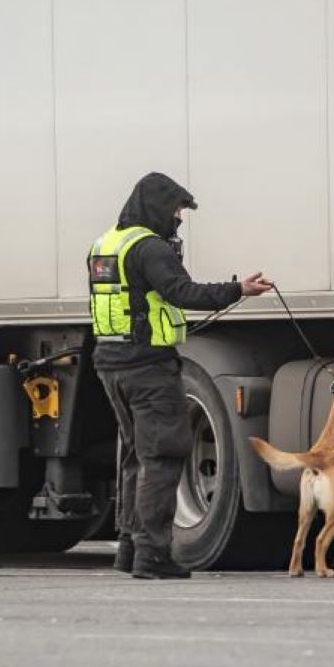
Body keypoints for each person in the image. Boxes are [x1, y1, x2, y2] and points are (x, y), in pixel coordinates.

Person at [89, 172, 271, 579]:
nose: (179, 219)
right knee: (163, 456)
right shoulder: (150, 248)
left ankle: (130, 548)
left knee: (138, 456)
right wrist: (238, 289)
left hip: (112, 363)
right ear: (156, 207)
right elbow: (183, 293)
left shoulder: (106, 244)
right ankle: (153, 556)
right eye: (176, 210)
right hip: (147, 367)